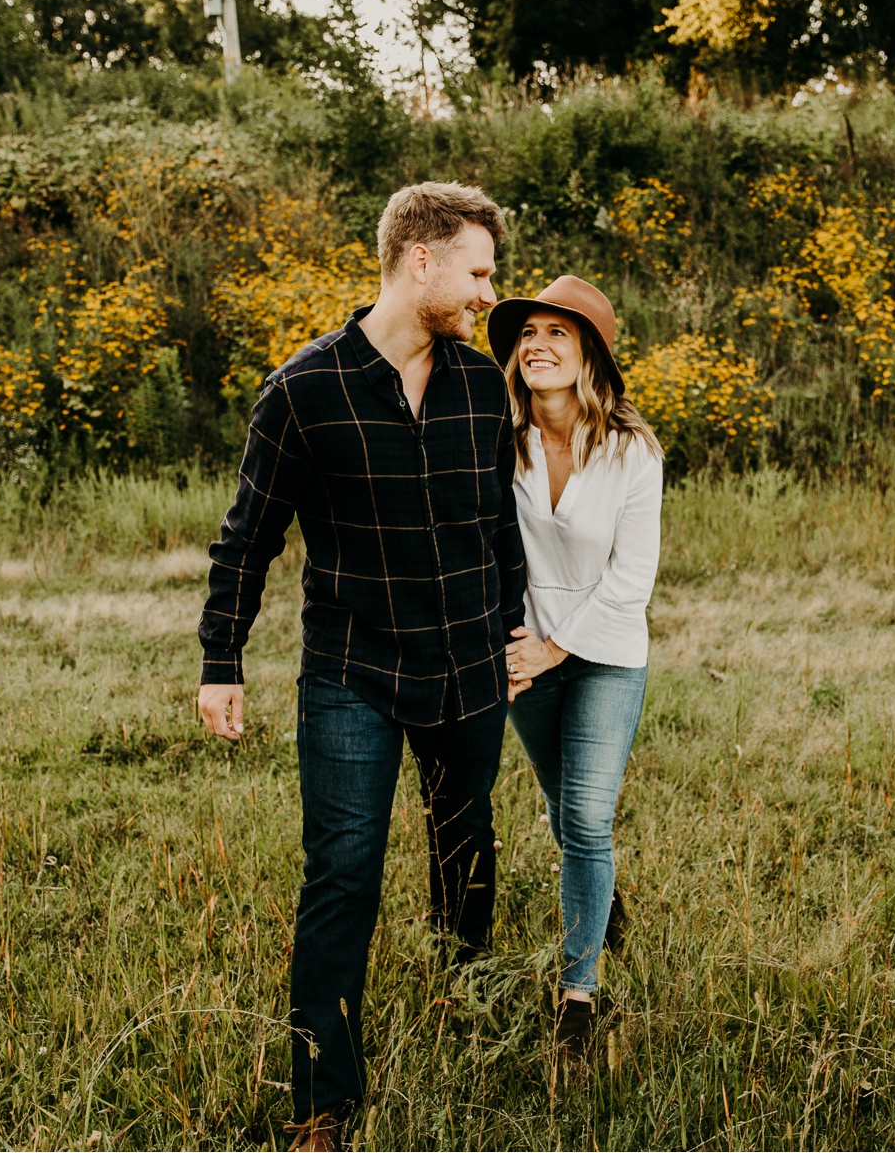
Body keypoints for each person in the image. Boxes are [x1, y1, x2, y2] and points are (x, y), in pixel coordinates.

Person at [197, 182, 525, 1152]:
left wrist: (514, 630)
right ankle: (320, 1102)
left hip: (468, 666)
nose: (486, 293)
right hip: (352, 671)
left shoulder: (480, 385)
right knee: (341, 873)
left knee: (466, 845)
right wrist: (223, 659)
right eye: (476, 272)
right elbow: (245, 538)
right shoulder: (303, 391)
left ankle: (466, 988)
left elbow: (499, 528)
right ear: (417, 261)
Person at [486, 275, 662, 1062]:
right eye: (528, 334)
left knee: (586, 820)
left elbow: (632, 578)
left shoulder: (632, 452)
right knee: (564, 816)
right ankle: (605, 897)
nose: (538, 344)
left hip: (606, 655)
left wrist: (559, 645)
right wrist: (510, 643)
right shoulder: (501, 441)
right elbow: (487, 551)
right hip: (527, 655)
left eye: (558, 333)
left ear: (588, 354)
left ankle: (576, 999)